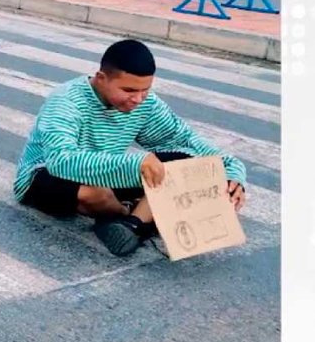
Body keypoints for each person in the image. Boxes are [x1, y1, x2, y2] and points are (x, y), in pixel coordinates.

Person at [13, 39, 249, 257]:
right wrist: (136, 163)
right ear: (101, 78)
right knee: (96, 193)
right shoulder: (66, 101)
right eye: (128, 91)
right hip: (45, 177)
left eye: (144, 90)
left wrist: (232, 171)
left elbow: (186, 141)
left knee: (187, 163)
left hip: (108, 176)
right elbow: (60, 161)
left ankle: (130, 226)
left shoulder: (146, 104)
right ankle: (138, 218)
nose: (138, 99)